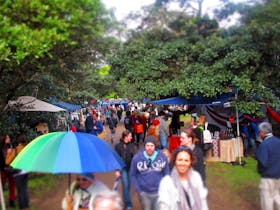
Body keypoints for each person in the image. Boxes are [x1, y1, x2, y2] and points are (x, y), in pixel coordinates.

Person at [130, 136, 170, 210]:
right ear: (144, 146)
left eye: (152, 145)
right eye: (147, 145)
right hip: (144, 193)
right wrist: (139, 190)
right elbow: (133, 175)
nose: (149, 148)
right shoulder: (137, 158)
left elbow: (166, 174)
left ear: (155, 146)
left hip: (159, 192)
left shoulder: (162, 157)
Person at [257, 122, 280, 210]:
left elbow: (262, 162)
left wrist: (261, 171)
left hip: (268, 176)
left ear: (263, 132)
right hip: (278, 175)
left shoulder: (264, 144)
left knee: (267, 199)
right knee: (277, 195)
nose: (259, 134)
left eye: (260, 132)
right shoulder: (278, 141)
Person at [114, 130, 136, 210]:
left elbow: (134, 157)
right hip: (123, 168)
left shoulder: (132, 145)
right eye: (130, 136)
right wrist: (116, 170)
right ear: (125, 137)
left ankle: (126, 201)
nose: (131, 137)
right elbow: (116, 159)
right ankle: (128, 204)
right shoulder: (118, 146)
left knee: (128, 186)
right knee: (126, 186)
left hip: (131, 168)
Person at [14, 134, 30, 210]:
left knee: (20, 191)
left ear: (19, 140)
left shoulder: (16, 149)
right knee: (25, 190)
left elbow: (9, 161)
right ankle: (26, 206)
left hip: (18, 172)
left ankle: (22, 207)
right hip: (26, 171)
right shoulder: (27, 148)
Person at [0, 134, 17, 207]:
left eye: (9, 137)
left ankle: (12, 200)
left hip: (11, 168)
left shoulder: (11, 146)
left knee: (12, 185)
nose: (8, 138)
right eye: (7, 137)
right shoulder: (1, 147)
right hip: (3, 169)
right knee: (1, 185)